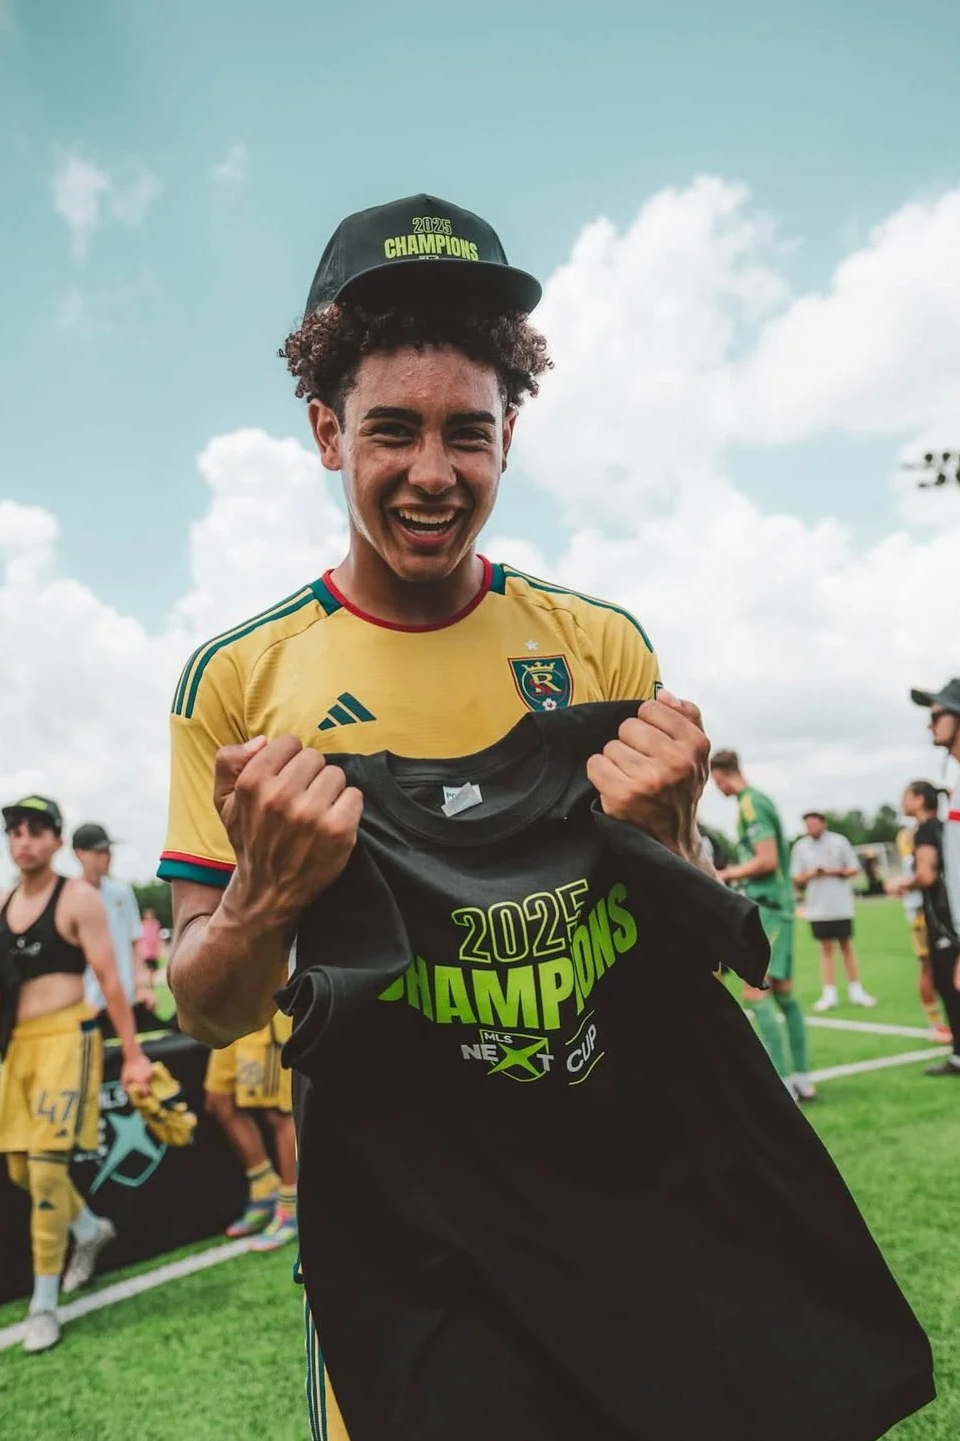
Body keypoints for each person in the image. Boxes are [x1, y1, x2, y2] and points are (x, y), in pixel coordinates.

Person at [159, 196, 932, 1441]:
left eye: (468, 432)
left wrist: (673, 835)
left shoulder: (597, 644)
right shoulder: (243, 680)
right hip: (413, 1231)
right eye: (391, 430)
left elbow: (677, 950)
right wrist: (267, 894)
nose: (432, 472)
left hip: (621, 1183)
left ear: (509, 434)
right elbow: (203, 1002)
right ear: (322, 430)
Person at [0, 796, 152, 1354]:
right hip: (18, 1049)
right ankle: (88, 1228)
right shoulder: (4, 902)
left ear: (57, 841)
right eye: (15, 831)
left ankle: (44, 1305)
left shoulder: (78, 897)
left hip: (69, 1039)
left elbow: (110, 980)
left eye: (36, 831)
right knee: (19, 1166)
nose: (24, 840)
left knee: (43, 1173)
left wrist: (132, 1053)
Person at [710, 750, 814, 1102]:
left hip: (770, 910)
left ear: (721, 775)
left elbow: (766, 860)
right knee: (784, 992)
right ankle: (802, 1078)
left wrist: (724, 874)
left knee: (757, 992)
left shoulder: (750, 805)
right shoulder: (757, 801)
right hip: (775, 908)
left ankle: (783, 1084)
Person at [204, 1010, 299, 1251]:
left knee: (279, 1111)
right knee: (218, 1099)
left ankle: (292, 1205)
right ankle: (264, 1186)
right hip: (230, 1005)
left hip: (267, 1004)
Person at [73, 822, 156, 1034]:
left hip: (125, 1001)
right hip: (86, 1005)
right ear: (79, 853)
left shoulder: (122, 893)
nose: (107, 856)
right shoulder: (67, 897)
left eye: (108, 850)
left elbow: (134, 941)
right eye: (99, 851)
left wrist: (143, 986)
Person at [791, 812, 876, 1011]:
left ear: (823, 823)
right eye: (807, 824)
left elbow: (854, 869)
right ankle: (829, 994)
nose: (810, 828)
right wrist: (810, 874)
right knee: (825, 948)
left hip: (840, 905)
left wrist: (833, 871)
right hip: (817, 906)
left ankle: (856, 991)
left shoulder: (839, 842)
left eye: (814, 823)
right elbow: (796, 878)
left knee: (846, 946)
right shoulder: (801, 847)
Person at [892, 797, 951, 1041]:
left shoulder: (926, 831)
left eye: (906, 796)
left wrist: (902, 883)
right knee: (929, 968)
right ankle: (936, 1023)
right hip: (923, 912)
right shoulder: (910, 834)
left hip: (934, 912)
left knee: (939, 969)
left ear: (919, 799)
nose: (902, 802)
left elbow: (924, 875)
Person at [140, 906, 163, 972]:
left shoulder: (155, 924)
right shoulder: (142, 925)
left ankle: (151, 980)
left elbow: (158, 937)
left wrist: (159, 949)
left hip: (153, 949)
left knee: (154, 968)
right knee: (147, 967)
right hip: (145, 950)